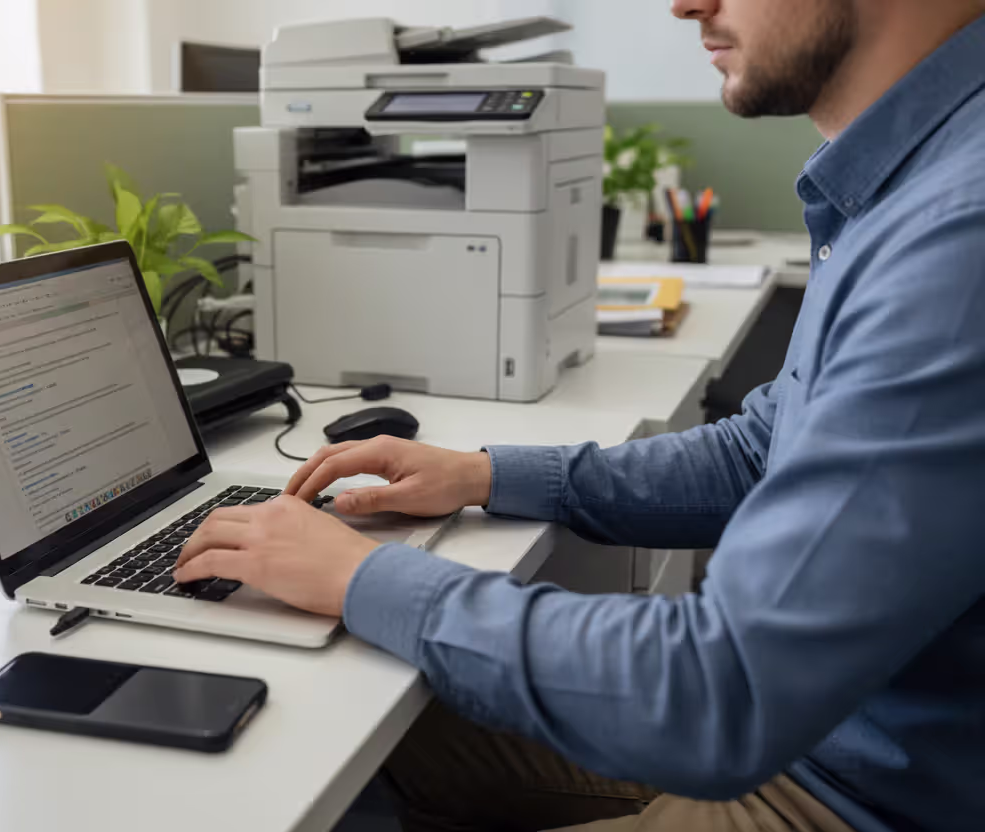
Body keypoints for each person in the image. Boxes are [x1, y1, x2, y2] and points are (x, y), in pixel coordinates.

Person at [175, 0, 985, 828]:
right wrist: (485, 474)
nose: (684, 3)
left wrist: (357, 576)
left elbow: (722, 695)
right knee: (327, 739)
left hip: (852, 797)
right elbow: (762, 450)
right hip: (817, 730)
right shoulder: (909, 183)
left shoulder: (957, 234)